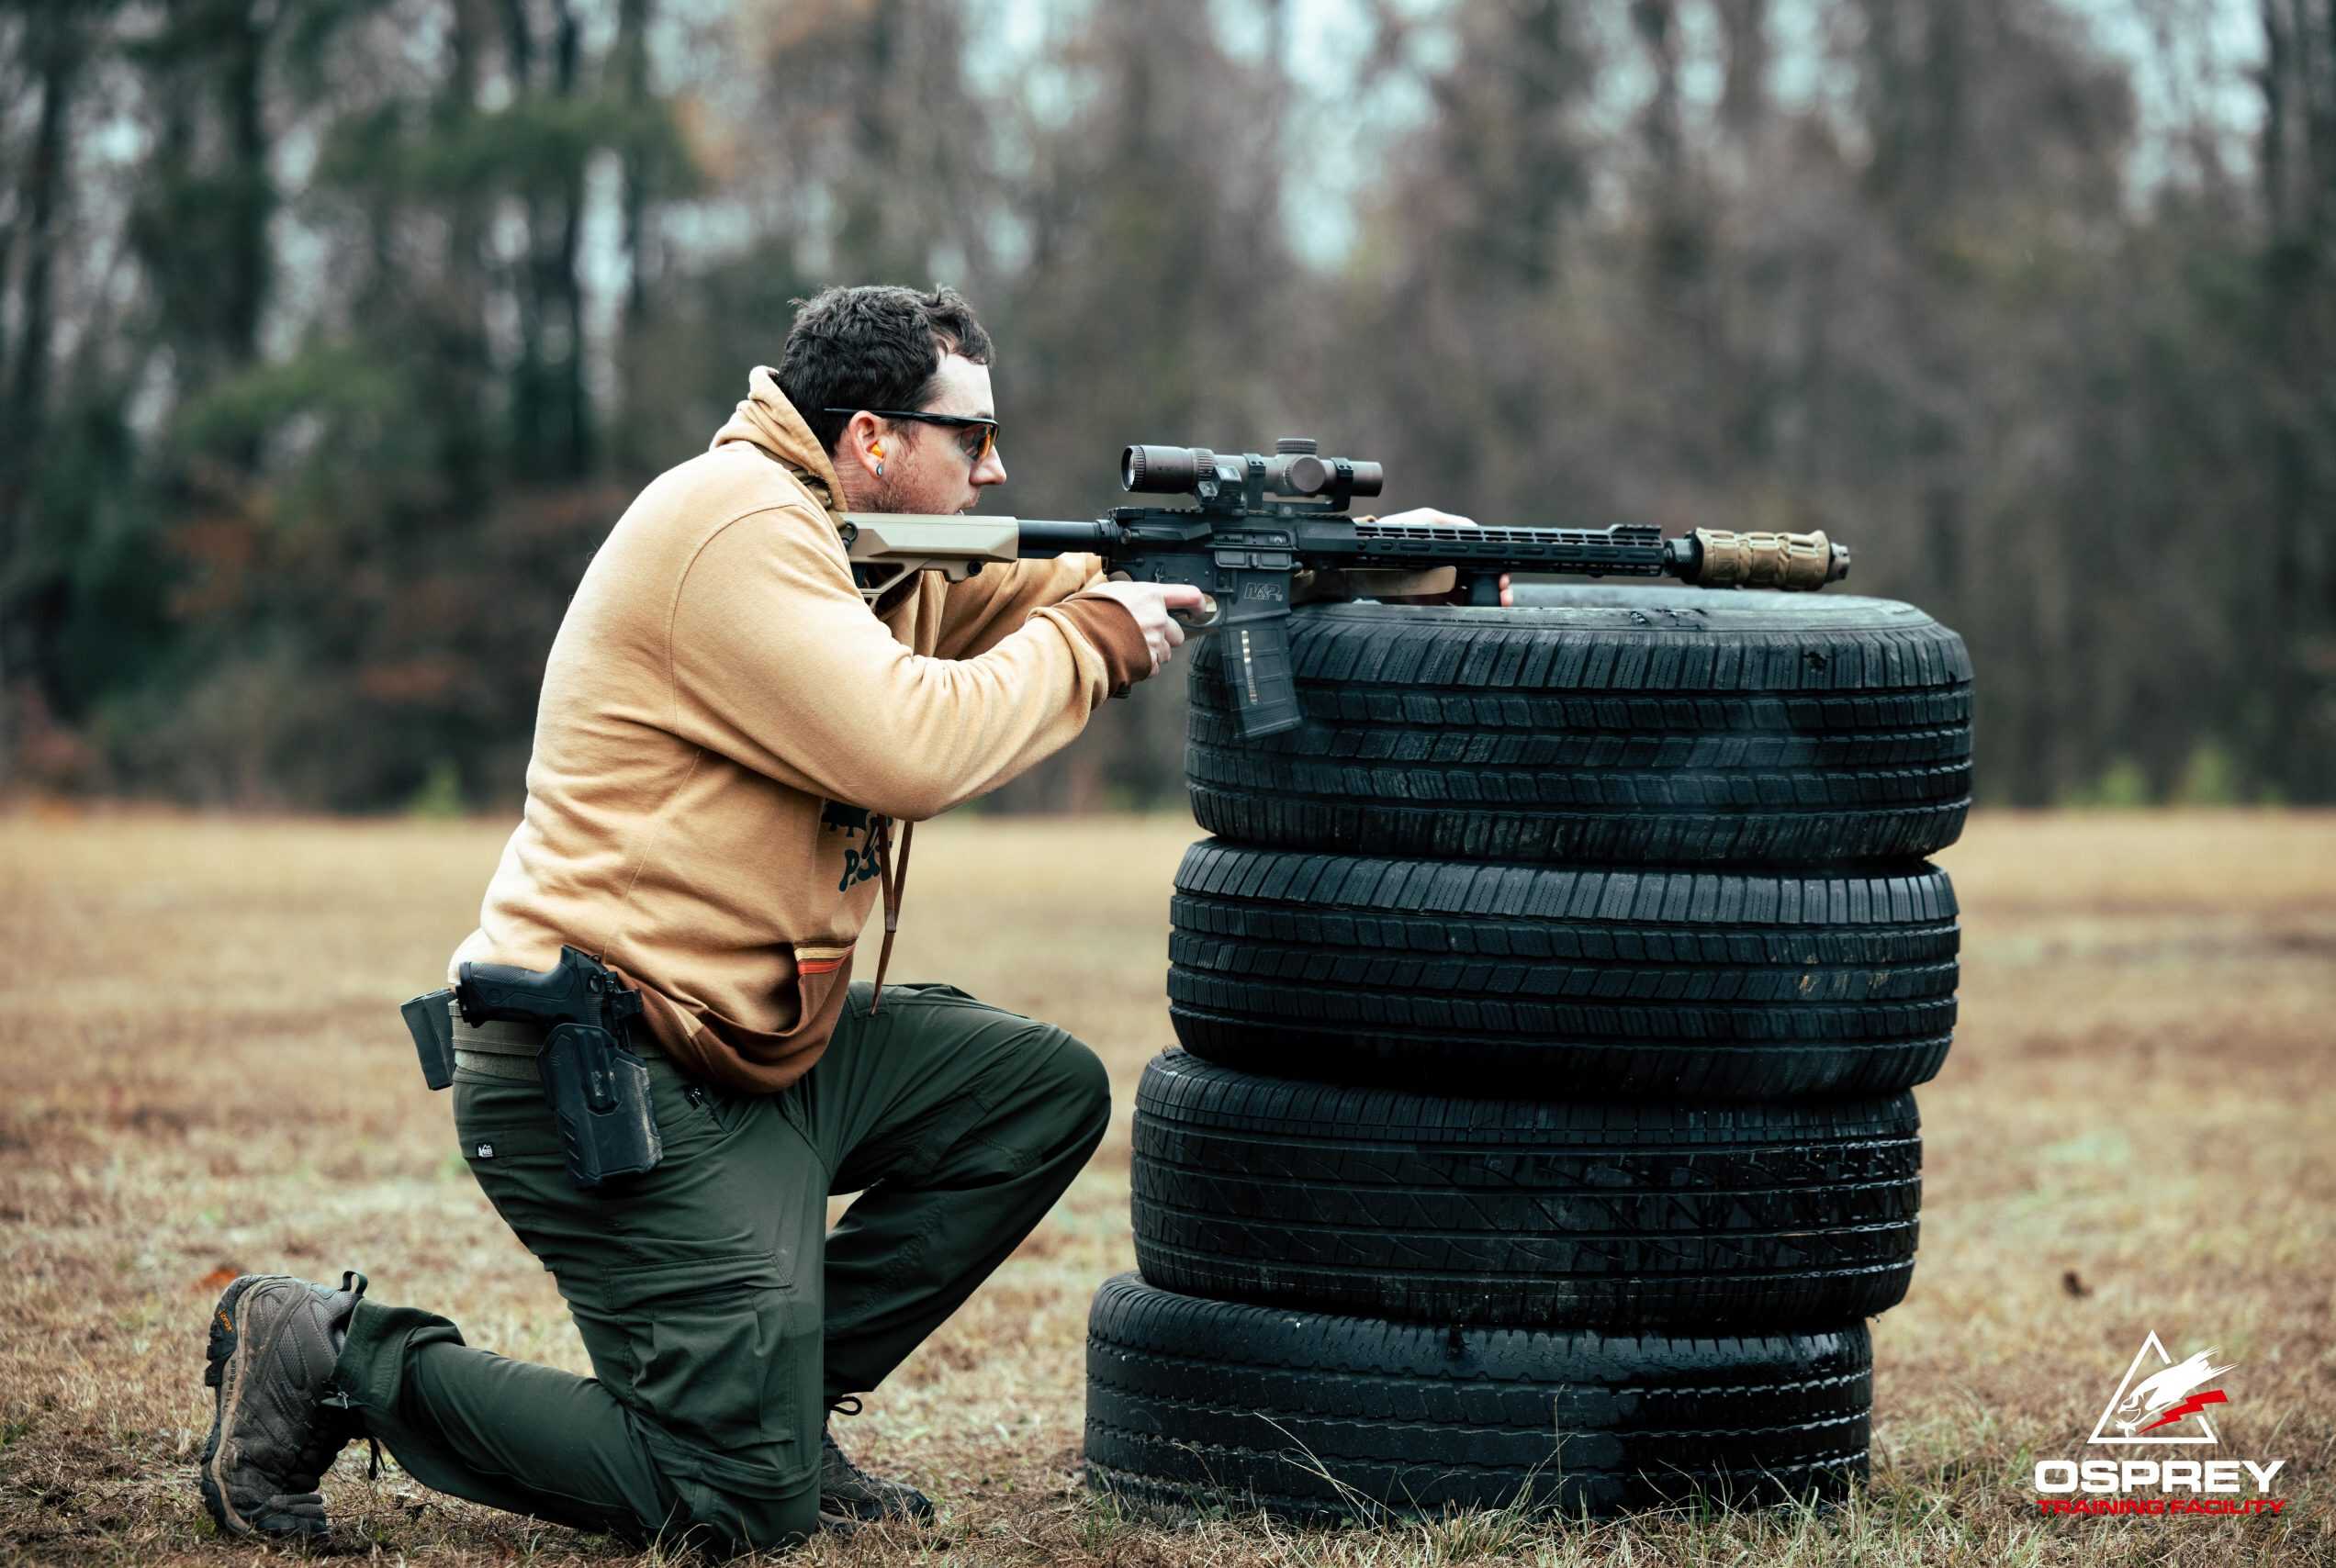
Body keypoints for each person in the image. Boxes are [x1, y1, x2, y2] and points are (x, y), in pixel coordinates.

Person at [194, 284, 1497, 1552]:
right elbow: (908, 742)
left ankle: (775, 1404)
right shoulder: (734, 527)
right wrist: (1098, 640)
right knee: (733, 1505)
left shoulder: (873, 548)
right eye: (971, 438)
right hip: (598, 1068)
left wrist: (1346, 565)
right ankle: (335, 1356)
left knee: (1034, 1093)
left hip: (750, 1049)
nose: (994, 475)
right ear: (871, 439)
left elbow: (1083, 578)